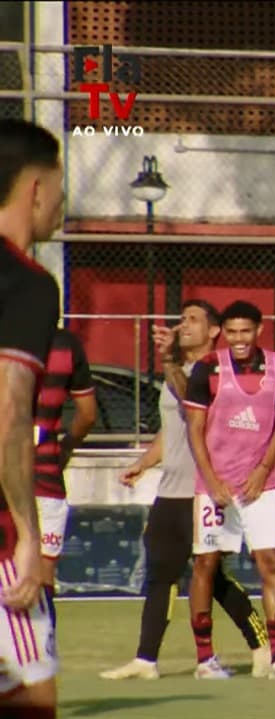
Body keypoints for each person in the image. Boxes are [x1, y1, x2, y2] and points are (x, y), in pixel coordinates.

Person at [101, 300, 271, 680]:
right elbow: (172, 428)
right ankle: (146, 660)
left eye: (193, 320)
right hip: (171, 489)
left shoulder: (217, 372)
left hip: (203, 490)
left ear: (214, 332)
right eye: (182, 320)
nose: (184, 326)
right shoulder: (178, 371)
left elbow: (193, 400)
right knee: (161, 571)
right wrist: (144, 464)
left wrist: (168, 361)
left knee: (212, 576)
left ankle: (261, 644)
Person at [184, 300, 275, 679]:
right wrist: (211, 479)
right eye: (232, 331)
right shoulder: (208, 368)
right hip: (215, 486)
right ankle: (205, 659)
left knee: (272, 564)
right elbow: (194, 429)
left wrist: (263, 469)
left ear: (259, 330)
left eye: (246, 331)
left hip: (261, 483)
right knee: (206, 564)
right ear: (224, 332)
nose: (239, 339)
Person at [0, 118, 64, 718]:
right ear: (37, 188)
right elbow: (10, 412)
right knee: (32, 697)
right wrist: (25, 535)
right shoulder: (25, 282)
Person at [33, 329, 97, 590]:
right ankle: (43, 631)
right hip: (46, 478)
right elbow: (88, 415)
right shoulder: (66, 345)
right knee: (44, 579)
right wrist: (66, 449)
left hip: (6, 478)